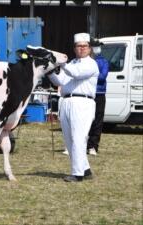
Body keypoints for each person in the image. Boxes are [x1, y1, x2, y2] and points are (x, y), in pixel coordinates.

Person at [47, 33, 99, 182]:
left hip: (83, 102)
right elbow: (61, 81)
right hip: (66, 101)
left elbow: (76, 74)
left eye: (84, 46)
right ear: (75, 48)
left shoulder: (90, 64)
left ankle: (77, 173)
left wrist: (61, 63)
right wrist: (50, 71)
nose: (81, 49)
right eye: (78, 46)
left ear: (89, 48)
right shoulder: (72, 64)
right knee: (69, 139)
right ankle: (85, 168)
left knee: (78, 137)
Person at [87, 39, 109, 155]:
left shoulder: (104, 61)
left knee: (98, 120)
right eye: (96, 46)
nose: (98, 48)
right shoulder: (87, 61)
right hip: (88, 94)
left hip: (99, 94)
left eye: (99, 46)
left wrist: (90, 74)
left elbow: (102, 77)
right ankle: (84, 144)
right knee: (86, 120)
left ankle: (93, 146)